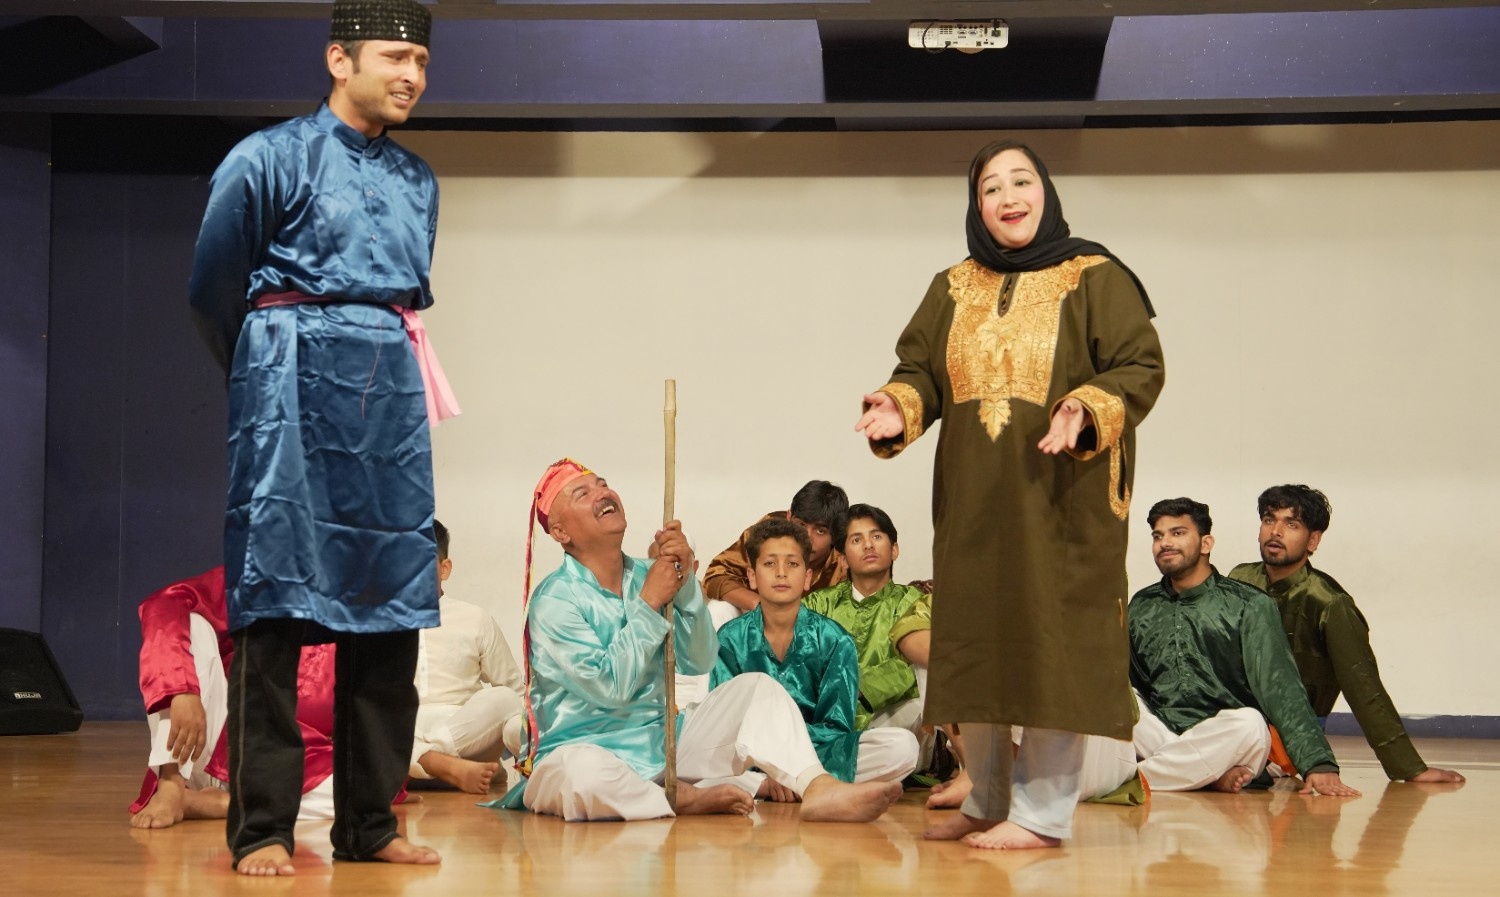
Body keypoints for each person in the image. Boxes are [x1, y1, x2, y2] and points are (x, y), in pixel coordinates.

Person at [187, 0, 448, 875]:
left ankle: (369, 822)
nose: (411, 75)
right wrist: (261, 373)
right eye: (395, 57)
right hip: (288, 384)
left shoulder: (418, 180)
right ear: (341, 60)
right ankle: (263, 825)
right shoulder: (267, 157)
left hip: (387, 398)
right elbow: (213, 286)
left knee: (392, 598)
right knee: (276, 599)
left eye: (421, 60)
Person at [854, 139, 1165, 849]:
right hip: (974, 502)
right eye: (990, 188)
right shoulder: (952, 285)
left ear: (1046, 192)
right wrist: (900, 404)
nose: (1008, 197)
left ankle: (1043, 814)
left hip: (1064, 501)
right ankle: (987, 796)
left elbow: (1140, 365)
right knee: (975, 643)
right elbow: (921, 368)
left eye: (1021, 181)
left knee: (1054, 645)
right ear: (977, 207)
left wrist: (1086, 406)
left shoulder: (1095, 275)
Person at [493, 459, 903, 822]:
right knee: (580, 776)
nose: (602, 492)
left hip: (664, 746)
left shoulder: (649, 572)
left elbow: (699, 659)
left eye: (602, 484)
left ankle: (818, 787)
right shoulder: (555, 600)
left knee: (758, 689)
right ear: (560, 531)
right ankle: (677, 798)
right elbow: (610, 689)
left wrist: (686, 582)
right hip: (586, 750)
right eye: (583, 493)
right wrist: (650, 602)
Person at [128, 568, 408, 828]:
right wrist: (183, 689)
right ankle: (171, 784)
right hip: (212, 740)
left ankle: (225, 805)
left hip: (289, 765)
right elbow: (163, 603)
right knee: (192, 624)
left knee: (367, 788)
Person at [1228, 485, 1465, 784]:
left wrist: (1410, 768)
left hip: (1292, 734)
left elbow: (1364, 687)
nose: (1276, 531)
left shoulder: (1329, 603)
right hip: (1229, 718)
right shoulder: (1239, 579)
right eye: (1268, 520)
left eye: (1292, 524)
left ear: (1313, 540)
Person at [1131, 498, 1360, 797]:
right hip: (1161, 730)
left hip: (1227, 735)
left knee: (1250, 723)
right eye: (1158, 536)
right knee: (1113, 698)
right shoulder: (1142, 605)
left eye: (1178, 533)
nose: (1165, 543)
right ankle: (1208, 774)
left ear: (1206, 543)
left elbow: (1281, 687)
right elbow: (1131, 684)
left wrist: (1318, 763)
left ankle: (1127, 780)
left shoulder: (1248, 604)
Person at [712, 517, 918, 789]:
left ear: (807, 577)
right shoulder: (729, 638)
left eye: (793, 564)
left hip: (815, 754)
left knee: (901, 747)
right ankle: (795, 784)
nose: (781, 573)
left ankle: (779, 783)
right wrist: (767, 757)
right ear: (752, 576)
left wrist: (786, 757)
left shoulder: (834, 639)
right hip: (751, 756)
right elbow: (724, 724)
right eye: (770, 564)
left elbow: (836, 725)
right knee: (695, 752)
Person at [410, 519, 525, 794]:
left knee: (505, 698)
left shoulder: (475, 618)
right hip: (405, 729)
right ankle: (443, 767)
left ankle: (429, 762)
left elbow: (515, 692)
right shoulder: (378, 622)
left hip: (465, 735)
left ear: (444, 568)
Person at [702, 480, 850, 625]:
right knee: (719, 609)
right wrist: (759, 605)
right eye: (801, 524)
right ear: (789, 517)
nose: (807, 538)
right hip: (756, 616)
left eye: (820, 531)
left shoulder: (845, 558)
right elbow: (715, 575)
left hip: (814, 627)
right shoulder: (768, 532)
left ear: (836, 533)